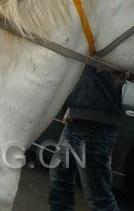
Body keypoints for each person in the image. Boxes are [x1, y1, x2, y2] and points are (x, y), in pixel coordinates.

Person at [48, 66, 124, 211]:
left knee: (99, 198)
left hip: (93, 122)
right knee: (60, 177)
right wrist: (72, 105)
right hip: (78, 117)